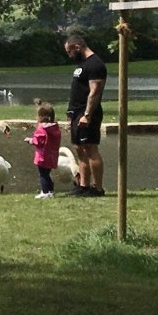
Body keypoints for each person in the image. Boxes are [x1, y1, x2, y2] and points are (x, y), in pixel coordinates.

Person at [63, 31, 106, 196]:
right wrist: (71, 112)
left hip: (88, 113)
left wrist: (87, 114)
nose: (69, 55)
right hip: (76, 112)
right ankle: (83, 186)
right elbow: (78, 90)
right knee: (79, 149)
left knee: (90, 148)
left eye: (69, 51)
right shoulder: (82, 65)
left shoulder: (95, 64)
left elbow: (94, 92)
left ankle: (98, 188)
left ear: (77, 47)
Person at [28, 102, 62, 199]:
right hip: (52, 156)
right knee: (47, 174)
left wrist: (30, 140)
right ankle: (51, 191)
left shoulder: (42, 129)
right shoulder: (54, 128)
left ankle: (45, 192)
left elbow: (38, 141)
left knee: (42, 175)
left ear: (41, 117)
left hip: (43, 157)